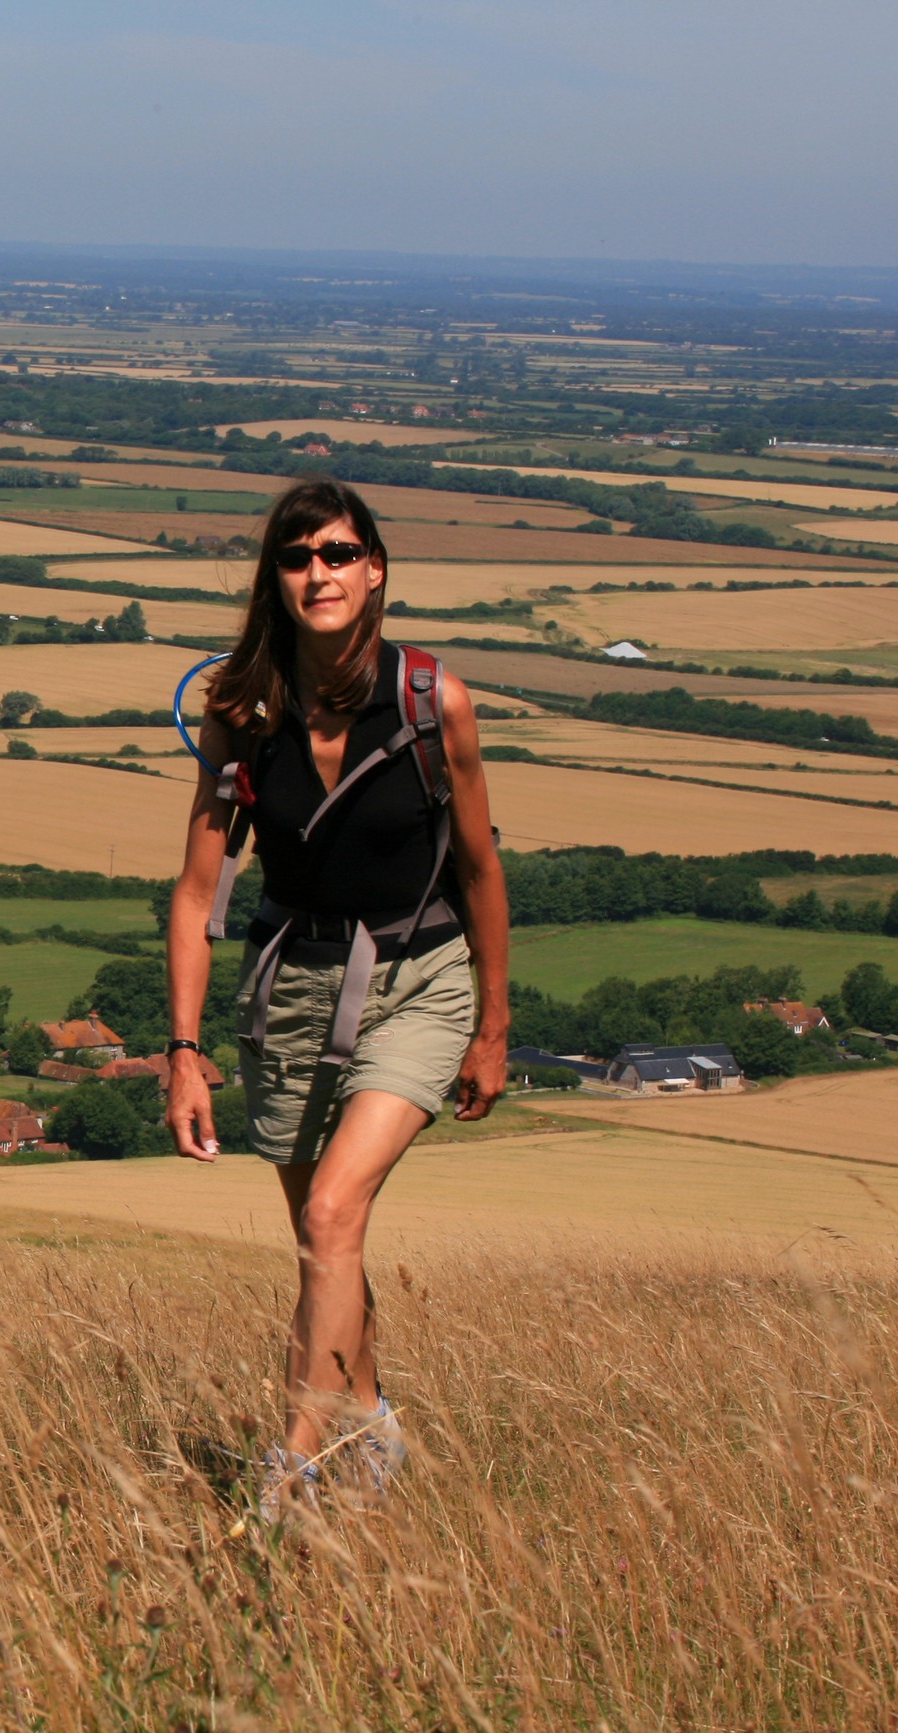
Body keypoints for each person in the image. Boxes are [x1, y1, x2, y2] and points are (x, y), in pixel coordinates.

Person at [161, 477, 509, 1518]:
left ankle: (293, 1465)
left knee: (327, 1210)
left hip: (419, 980)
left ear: (376, 571)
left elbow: (483, 870)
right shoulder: (241, 713)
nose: (321, 572)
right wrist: (181, 1049)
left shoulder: (429, 701)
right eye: (298, 555)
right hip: (291, 989)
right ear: (275, 578)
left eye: (340, 552)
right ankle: (377, 1431)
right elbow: (192, 893)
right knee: (329, 1243)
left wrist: (492, 1028)